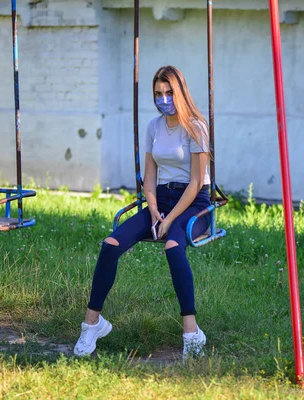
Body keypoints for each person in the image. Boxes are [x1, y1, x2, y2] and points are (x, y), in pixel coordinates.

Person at [74, 65, 212, 360]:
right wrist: (153, 210)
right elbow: (149, 177)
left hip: (193, 203)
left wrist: (170, 218)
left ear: (181, 93)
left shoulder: (196, 128)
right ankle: (92, 323)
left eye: (169, 92)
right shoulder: (153, 127)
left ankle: (192, 332)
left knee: (174, 248)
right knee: (110, 245)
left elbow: (197, 183)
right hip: (159, 199)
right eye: (158, 94)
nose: (164, 99)